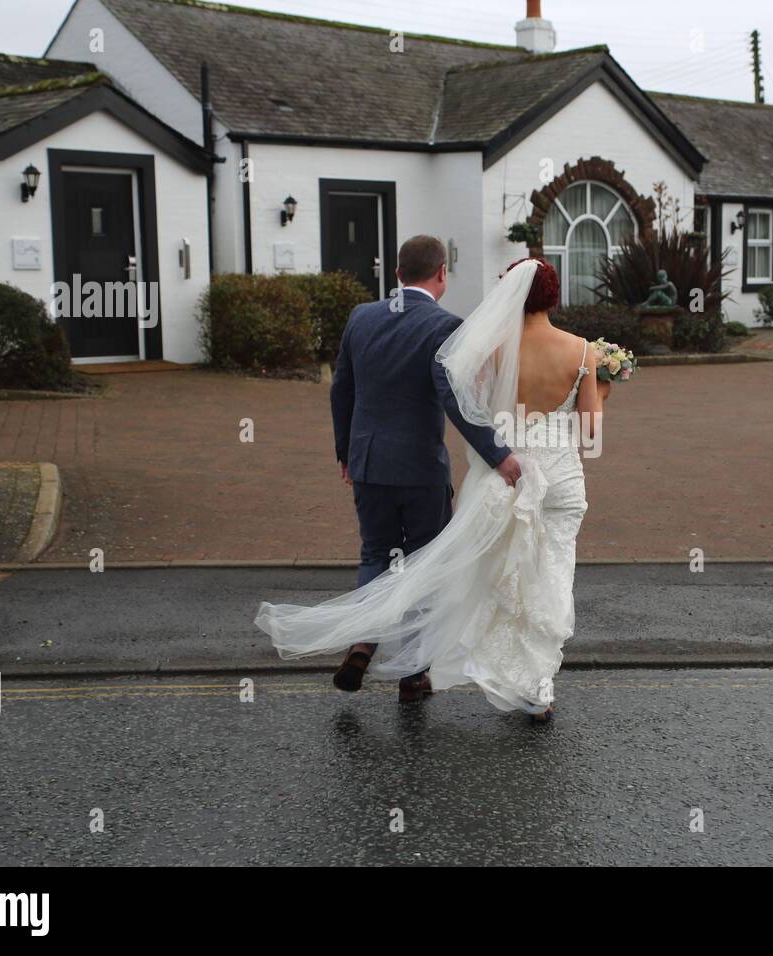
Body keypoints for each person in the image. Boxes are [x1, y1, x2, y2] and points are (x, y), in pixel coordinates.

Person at [255, 253, 602, 720]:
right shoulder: (575, 349)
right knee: (525, 573)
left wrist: (347, 453)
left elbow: (348, 390)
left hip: (377, 462)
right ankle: (486, 683)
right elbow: (586, 431)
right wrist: (596, 389)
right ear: (441, 274)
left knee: (386, 554)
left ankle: (369, 640)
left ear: (398, 272)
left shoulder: (375, 320)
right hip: (511, 475)